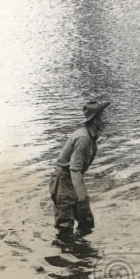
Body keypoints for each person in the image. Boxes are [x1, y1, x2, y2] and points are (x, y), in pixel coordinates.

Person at [49, 100, 110, 237]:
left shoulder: (91, 136)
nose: (107, 120)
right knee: (65, 227)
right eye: (104, 117)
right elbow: (74, 170)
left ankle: (82, 253)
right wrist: (81, 199)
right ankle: (66, 251)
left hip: (73, 179)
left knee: (86, 221)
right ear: (95, 120)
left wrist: (82, 199)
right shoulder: (83, 138)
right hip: (63, 181)